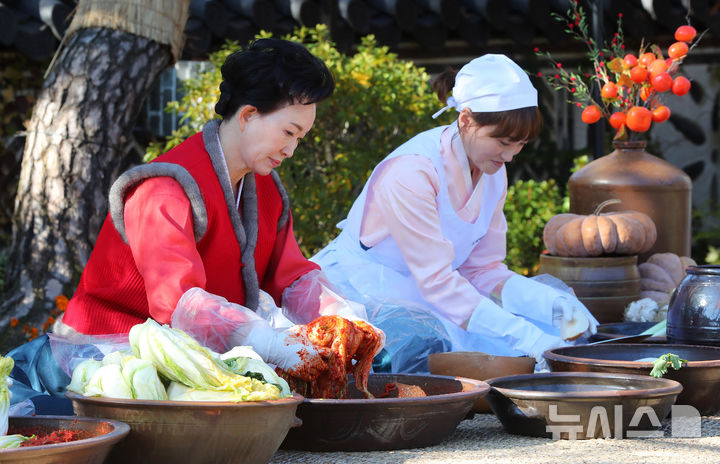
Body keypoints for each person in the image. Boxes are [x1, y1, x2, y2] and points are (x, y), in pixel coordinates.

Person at [10, 38, 381, 411]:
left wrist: (344, 317)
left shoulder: (264, 189)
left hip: (175, 360)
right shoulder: (165, 187)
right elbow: (179, 305)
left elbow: (291, 276)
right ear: (249, 114)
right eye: (288, 132)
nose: (291, 150)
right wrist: (268, 343)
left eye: (300, 138)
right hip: (93, 357)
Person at [312, 54, 598, 373]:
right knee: (425, 360)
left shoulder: (493, 170)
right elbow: (437, 282)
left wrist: (552, 305)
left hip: (438, 293)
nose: (511, 155)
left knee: (545, 340)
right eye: (502, 141)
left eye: (520, 144)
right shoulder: (413, 172)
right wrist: (526, 337)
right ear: (465, 120)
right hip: (364, 293)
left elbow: (482, 269)